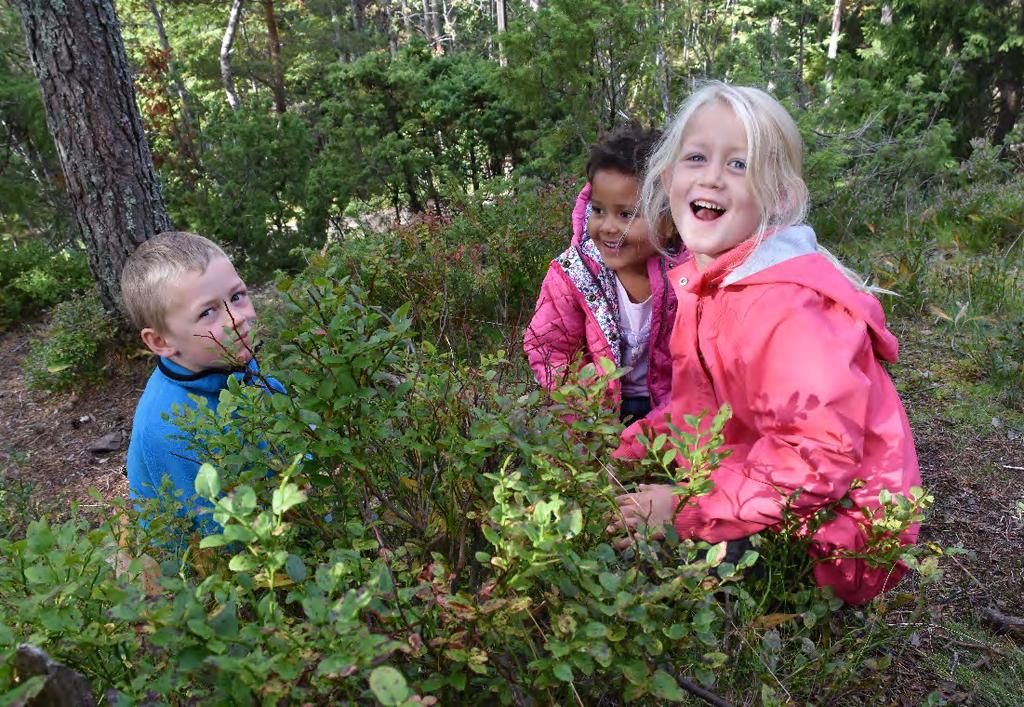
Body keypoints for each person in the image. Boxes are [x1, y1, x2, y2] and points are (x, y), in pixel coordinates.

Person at [609, 82, 921, 604]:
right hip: (773, 486)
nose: (712, 176)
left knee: (639, 557)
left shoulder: (790, 307)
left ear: (780, 196)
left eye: (738, 165)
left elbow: (818, 457)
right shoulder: (707, 282)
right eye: (697, 157)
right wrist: (620, 452)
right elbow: (699, 412)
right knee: (625, 517)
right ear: (668, 178)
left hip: (842, 540)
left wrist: (685, 505)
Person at [524, 125, 684, 424]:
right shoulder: (574, 273)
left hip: (672, 411)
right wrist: (584, 404)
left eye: (626, 214)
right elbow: (549, 347)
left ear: (669, 221)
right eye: (598, 210)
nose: (607, 227)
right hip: (597, 412)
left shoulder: (689, 277)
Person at [122, 231, 279, 533]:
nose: (236, 319)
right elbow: (213, 535)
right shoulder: (168, 432)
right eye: (208, 313)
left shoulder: (229, 360)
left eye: (237, 296)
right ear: (160, 340)